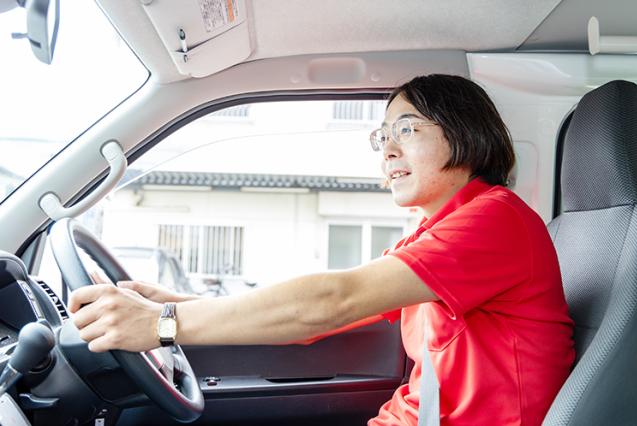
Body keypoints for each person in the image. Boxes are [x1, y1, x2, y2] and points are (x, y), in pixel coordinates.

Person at [69, 74, 575, 425]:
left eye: (407, 129)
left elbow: (331, 300)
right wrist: (174, 301)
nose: (389, 149)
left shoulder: (496, 219)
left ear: (465, 133)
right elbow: (322, 320)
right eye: (383, 135)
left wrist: (164, 323)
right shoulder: (431, 232)